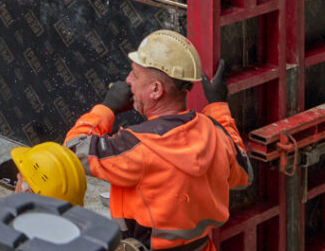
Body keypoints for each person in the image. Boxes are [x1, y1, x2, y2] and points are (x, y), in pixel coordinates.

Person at [62, 30, 248, 251]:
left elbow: (73, 148)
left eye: (135, 75)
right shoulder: (216, 134)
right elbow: (244, 173)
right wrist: (218, 105)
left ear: (156, 90)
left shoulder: (136, 146)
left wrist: (107, 108)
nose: (128, 81)